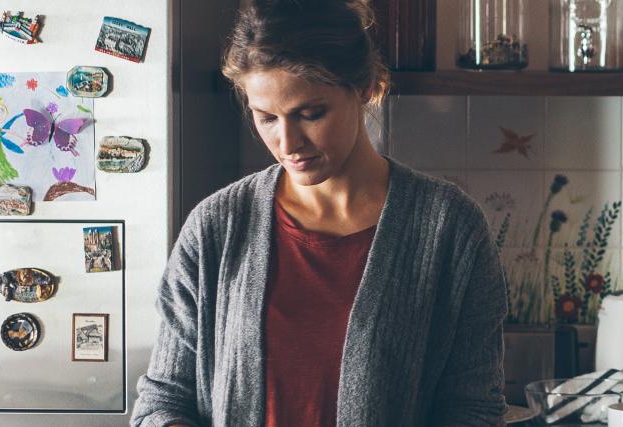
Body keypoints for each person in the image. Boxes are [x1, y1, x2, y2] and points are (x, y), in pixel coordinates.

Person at [130, 0, 508, 425]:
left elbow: (474, 409)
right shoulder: (216, 226)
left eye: (310, 114)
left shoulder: (449, 229)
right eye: (266, 117)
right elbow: (163, 398)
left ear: (363, 85)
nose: (288, 143)